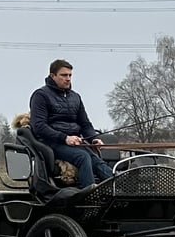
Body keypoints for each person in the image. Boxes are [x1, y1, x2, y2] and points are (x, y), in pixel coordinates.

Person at [30, 59, 113, 189]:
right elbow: (39, 126)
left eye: (70, 75)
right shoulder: (40, 96)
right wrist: (65, 138)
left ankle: (119, 189)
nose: (68, 79)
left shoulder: (75, 97)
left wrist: (94, 138)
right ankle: (89, 195)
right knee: (83, 157)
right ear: (52, 76)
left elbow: (85, 124)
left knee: (97, 162)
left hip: (74, 143)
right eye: (64, 75)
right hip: (51, 143)